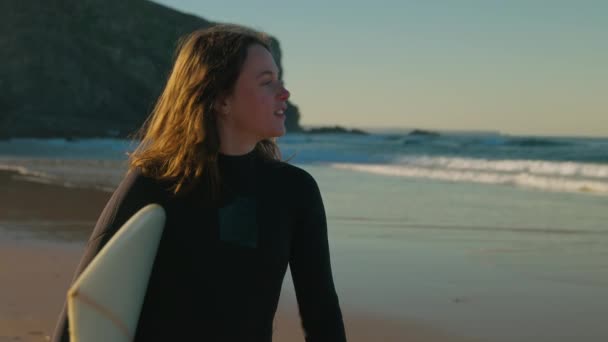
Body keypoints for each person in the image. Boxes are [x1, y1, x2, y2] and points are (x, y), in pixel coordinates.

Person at [51, 24, 347, 341]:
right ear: (221, 100)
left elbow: (321, 311)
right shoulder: (158, 181)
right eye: (266, 82)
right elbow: (88, 299)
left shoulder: (294, 191)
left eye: (279, 79)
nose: (284, 92)